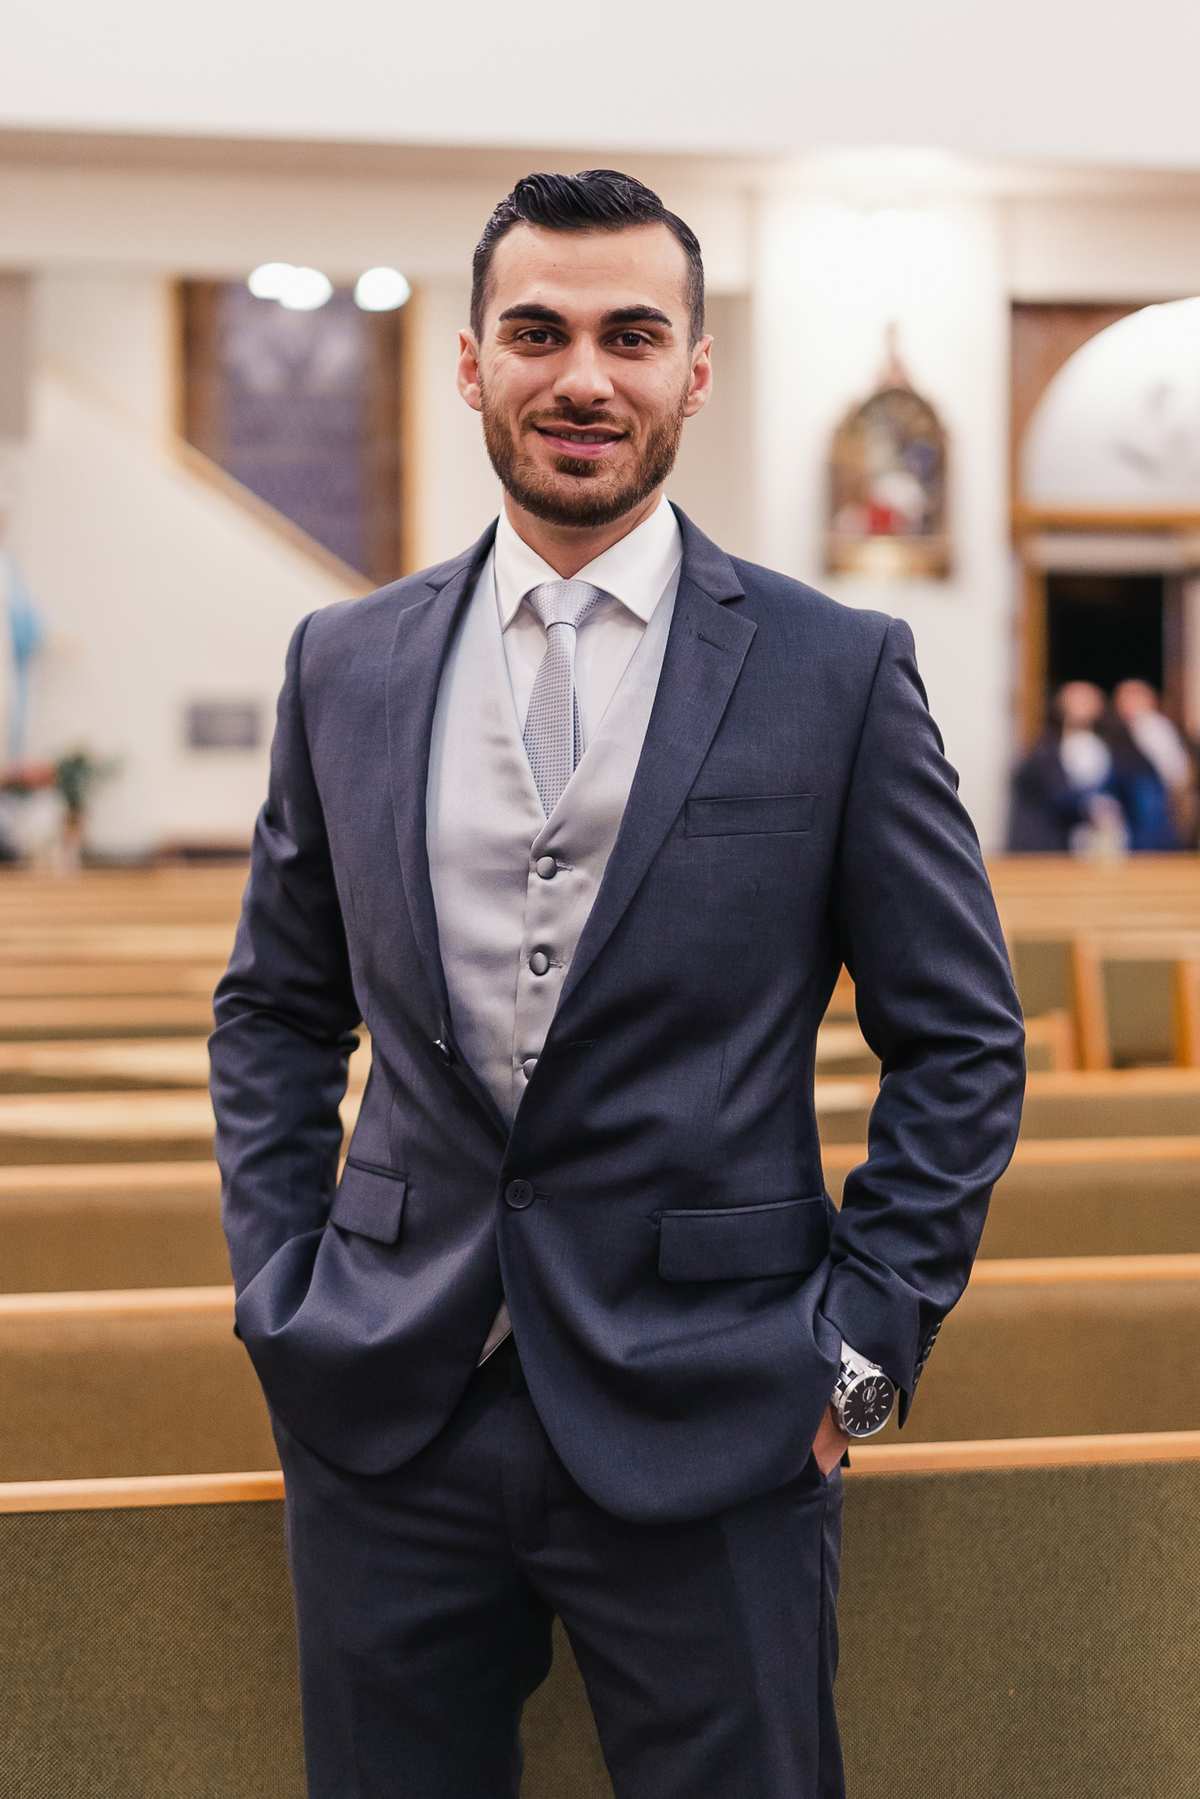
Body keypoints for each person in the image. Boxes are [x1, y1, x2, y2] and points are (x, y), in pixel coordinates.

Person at [210, 170, 1025, 1799]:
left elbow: (961, 1041)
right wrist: (284, 1296)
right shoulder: (345, 661)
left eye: (631, 334)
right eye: (539, 330)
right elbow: (278, 1010)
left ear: (694, 372)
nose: (583, 373)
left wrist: (856, 1356)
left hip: (725, 1401)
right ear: (470, 363)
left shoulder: (834, 669)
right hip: (389, 1403)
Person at [1008, 680, 1126, 854]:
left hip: (1075, 845)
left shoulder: (1108, 747)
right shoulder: (1044, 749)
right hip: (1040, 845)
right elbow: (1056, 794)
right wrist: (1091, 806)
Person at [1110, 679, 1193, 849]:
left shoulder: (1149, 723)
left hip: (1152, 796)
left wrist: (1177, 792)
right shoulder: (1127, 726)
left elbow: (1172, 764)